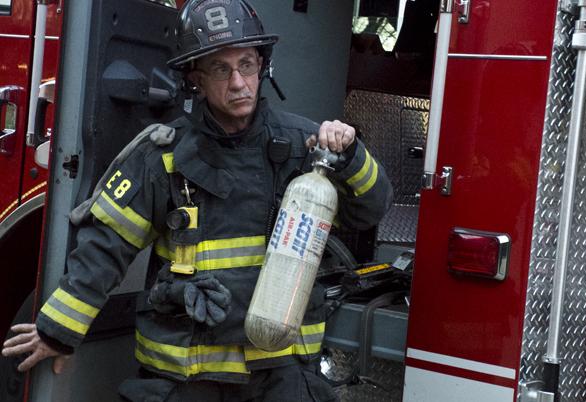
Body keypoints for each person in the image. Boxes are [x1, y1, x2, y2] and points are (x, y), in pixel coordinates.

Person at [2, 0, 393, 400]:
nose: (239, 82)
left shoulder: (302, 143)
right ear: (195, 80)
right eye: (221, 69)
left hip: (281, 375)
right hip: (188, 379)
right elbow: (105, 247)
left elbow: (371, 210)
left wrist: (351, 157)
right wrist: (58, 332)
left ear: (263, 65)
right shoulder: (162, 157)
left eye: (246, 64)